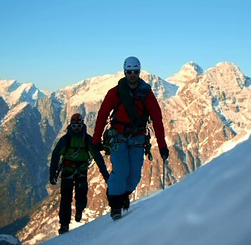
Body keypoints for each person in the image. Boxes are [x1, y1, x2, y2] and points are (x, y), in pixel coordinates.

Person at [93, 56, 169, 220]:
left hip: (137, 138)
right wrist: (95, 139)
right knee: (120, 171)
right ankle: (116, 205)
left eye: (135, 72)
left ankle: (122, 195)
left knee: (134, 175)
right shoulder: (115, 93)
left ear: (139, 72)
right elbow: (102, 115)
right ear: (125, 72)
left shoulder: (146, 94)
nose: (132, 75)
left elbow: (157, 119)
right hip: (118, 136)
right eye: (129, 72)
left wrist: (162, 145)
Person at [49, 113, 109, 235]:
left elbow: (98, 158)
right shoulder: (65, 140)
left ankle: (79, 211)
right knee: (66, 199)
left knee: (81, 195)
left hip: (80, 171)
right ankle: (64, 225)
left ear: (83, 125)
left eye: (79, 125)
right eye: (75, 125)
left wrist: (105, 174)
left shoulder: (87, 140)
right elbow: (55, 156)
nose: (77, 128)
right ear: (71, 125)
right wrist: (52, 174)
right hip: (68, 171)